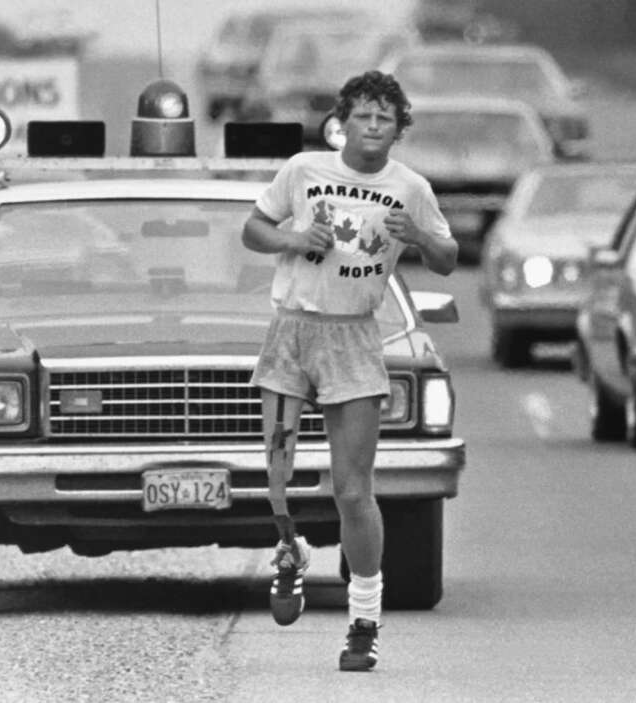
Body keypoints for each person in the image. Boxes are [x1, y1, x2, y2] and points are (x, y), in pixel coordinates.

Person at [241, 70, 458, 672]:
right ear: (343, 122)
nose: (371, 126)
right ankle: (290, 551)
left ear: (398, 130)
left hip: (354, 336)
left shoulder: (410, 187)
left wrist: (416, 235)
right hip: (292, 330)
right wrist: (290, 236)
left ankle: (363, 621)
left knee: (352, 488)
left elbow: (447, 258)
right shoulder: (304, 170)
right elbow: (252, 230)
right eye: (362, 115)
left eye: (384, 119)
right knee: (277, 477)